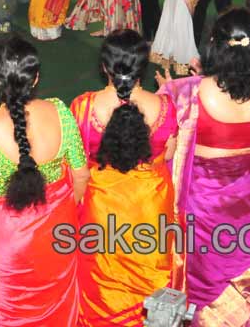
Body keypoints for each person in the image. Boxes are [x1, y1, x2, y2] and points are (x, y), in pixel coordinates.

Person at [0, 36, 89, 325]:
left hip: (9, 248)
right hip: (59, 233)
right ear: (35, 79)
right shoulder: (61, 112)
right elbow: (81, 174)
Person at [158, 8, 250, 325]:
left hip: (207, 205)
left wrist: (170, 87)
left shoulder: (188, 92)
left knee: (204, 274)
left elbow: (160, 135)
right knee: (246, 271)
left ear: (213, 43)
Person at [71, 30, 177, 326]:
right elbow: (168, 155)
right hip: (149, 209)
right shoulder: (164, 106)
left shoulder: (83, 107)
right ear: (143, 66)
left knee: (99, 283)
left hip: (100, 211)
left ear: (105, 67)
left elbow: (75, 163)